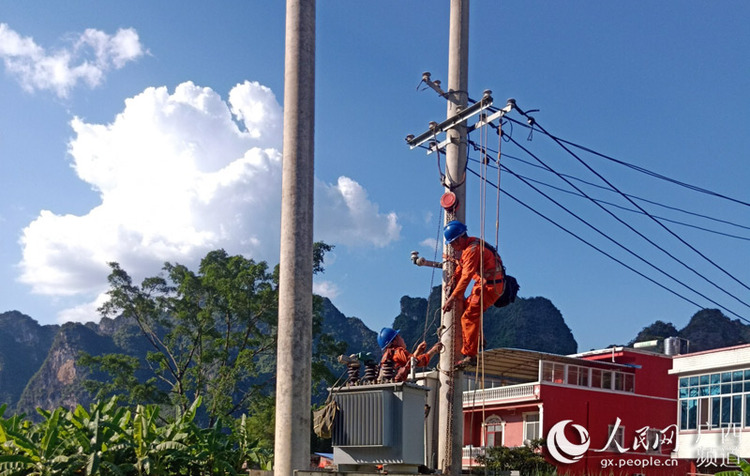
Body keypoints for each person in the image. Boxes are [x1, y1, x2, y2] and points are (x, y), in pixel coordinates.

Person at [441, 220, 505, 367]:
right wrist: (451, 283)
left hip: (490, 286)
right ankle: (478, 338)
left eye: (452, 243)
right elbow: (462, 268)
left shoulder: (472, 250)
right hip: (487, 283)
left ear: (458, 240)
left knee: (469, 317)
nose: (452, 247)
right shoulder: (471, 245)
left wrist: (452, 298)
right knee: (467, 307)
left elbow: (466, 276)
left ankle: (470, 355)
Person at [377, 327, 442, 382]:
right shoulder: (398, 351)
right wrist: (434, 350)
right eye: (399, 336)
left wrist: (418, 351)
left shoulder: (388, 355)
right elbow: (416, 362)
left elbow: (408, 362)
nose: (402, 339)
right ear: (395, 341)